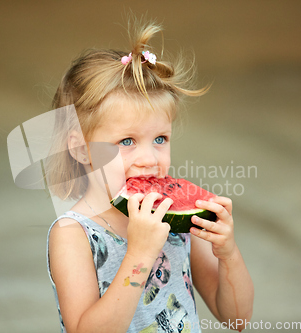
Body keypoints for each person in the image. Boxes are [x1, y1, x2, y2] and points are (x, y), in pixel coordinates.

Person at [46, 20, 254, 332]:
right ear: (79, 148)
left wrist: (228, 254)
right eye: (126, 142)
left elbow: (237, 319)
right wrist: (140, 254)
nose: (148, 159)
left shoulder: (176, 223)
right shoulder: (73, 235)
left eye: (160, 139)